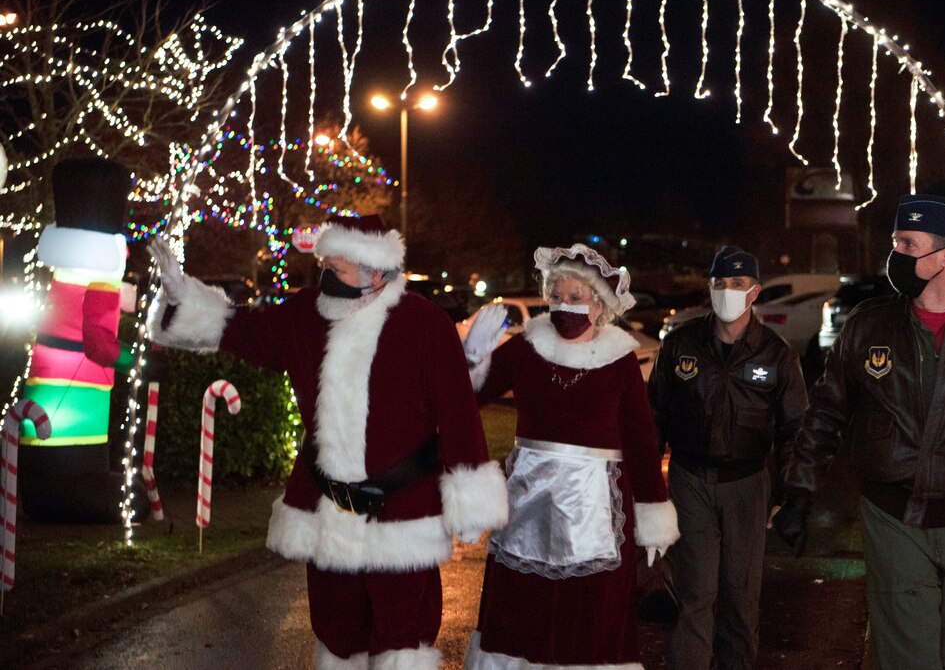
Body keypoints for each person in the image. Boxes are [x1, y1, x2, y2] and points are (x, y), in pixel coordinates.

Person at [148, 214, 508, 669]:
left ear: (375, 272)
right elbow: (245, 330)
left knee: (403, 641)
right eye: (324, 266)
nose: (325, 277)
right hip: (328, 512)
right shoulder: (306, 314)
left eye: (336, 268)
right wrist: (183, 296)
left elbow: (457, 413)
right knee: (337, 637)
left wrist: (470, 504)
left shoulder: (423, 323)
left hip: (403, 516)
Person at [773, 194, 945, 670]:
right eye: (895, 242)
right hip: (893, 515)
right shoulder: (868, 326)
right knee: (907, 656)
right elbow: (825, 414)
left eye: (908, 244)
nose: (895, 254)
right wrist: (797, 493)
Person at [462, 243, 679, 669]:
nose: (564, 305)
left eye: (576, 297)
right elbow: (467, 400)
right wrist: (472, 361)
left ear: (599, 305)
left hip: (595, 509)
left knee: (590, 614)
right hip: (528, 503)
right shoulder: (526, 347)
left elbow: (640, 440)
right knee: (524, 607)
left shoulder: (619, 359)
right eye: (557, 296)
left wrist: (653, 514)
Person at [648, 246, 807, 670]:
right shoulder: (680, 345)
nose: (727, 291)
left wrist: (790, 495)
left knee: (740, 597)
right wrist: (647, 489)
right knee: (694, 595)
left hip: (747, 485)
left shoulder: (776, 353)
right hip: (689, 481)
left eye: (737, 284)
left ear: (755, 292)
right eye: (720, 283)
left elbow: (795, 429)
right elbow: (654, 416)